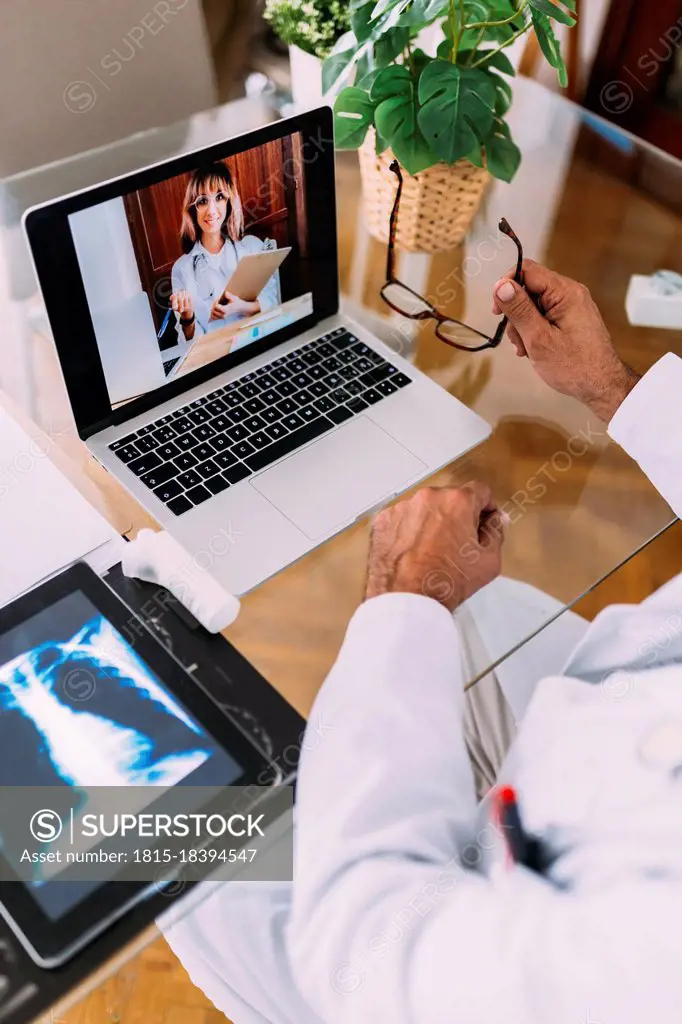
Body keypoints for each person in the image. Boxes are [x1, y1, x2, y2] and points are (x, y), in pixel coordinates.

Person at [163, 262, 682, 1024]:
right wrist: (610, 384)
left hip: (396, 950)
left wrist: (406, 592)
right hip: (613, 711)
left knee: (157, 834)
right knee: (488, 602)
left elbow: (367, 952)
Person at [170, 161, 279, 343]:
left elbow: (274, 303)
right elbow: (189, 344)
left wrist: (239, 307)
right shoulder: (182, 269)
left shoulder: (252, 247)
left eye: (219, 197)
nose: (212, 211)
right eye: (203, 201)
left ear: (229, 202)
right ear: (192, 209)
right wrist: (187, 319)